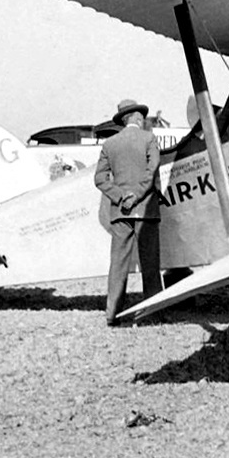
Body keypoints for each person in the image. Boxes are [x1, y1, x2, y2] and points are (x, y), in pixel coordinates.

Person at [95, 99, 162, 324]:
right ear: (135, 118)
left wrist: (121, 196)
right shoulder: (149, 138)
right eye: (141, 116)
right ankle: (153, 312)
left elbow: (100, 179)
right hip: (146, 209)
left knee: (118, 263)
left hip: (121, 212)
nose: (143, 119)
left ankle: (112, 313)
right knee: (150, 263)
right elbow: (152, 171)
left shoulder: (110, 144)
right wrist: (137, 194)